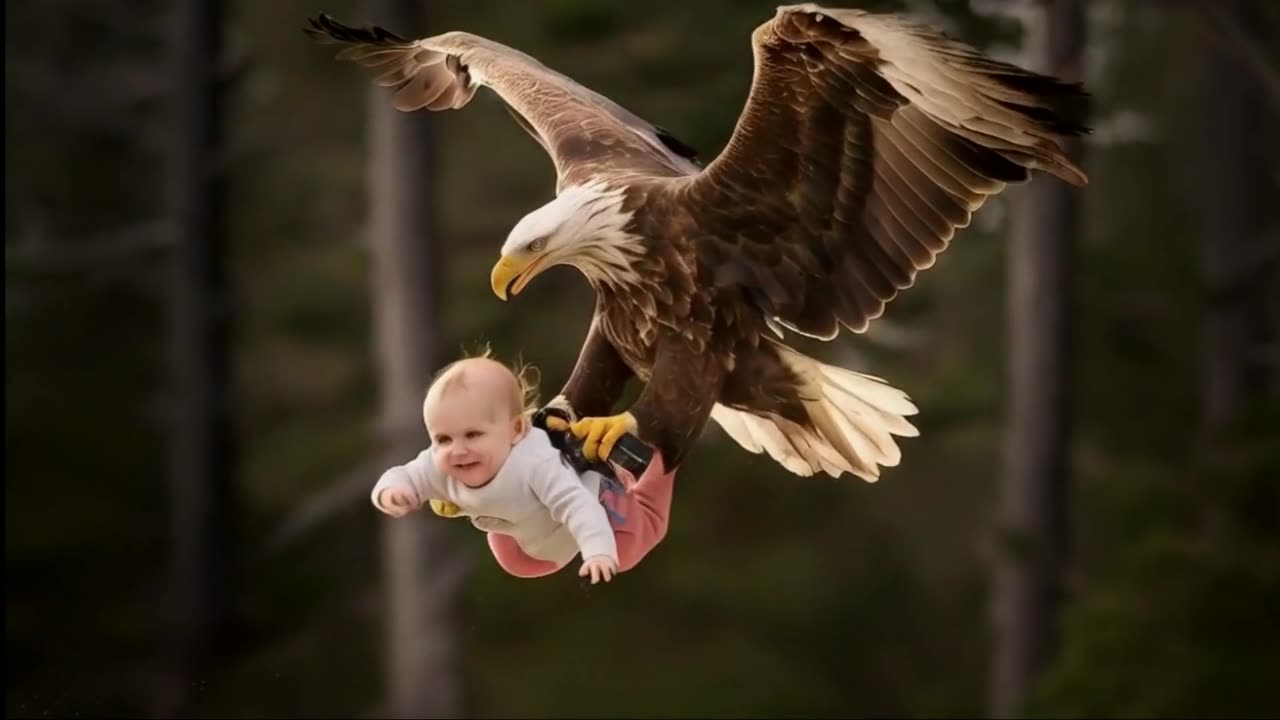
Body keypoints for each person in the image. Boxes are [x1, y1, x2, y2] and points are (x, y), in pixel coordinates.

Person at [370, 351, 676, 583]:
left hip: (595, 504)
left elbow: (578, 505)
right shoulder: (441, 463)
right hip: (529, 526)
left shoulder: (535, 465)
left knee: (625, 551)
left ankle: (659, 465)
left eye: (473, 435)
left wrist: (598, 551)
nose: (458, 450)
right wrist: (392, 492)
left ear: (516, 430)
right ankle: (560, 541)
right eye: (443, 438)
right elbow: (405, 473)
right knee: (516, 562)